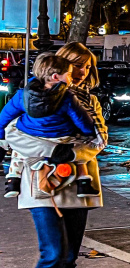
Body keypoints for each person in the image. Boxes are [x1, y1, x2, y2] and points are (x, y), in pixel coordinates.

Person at [3, 45, 106, 268]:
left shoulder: (89, 102)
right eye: (75, 65)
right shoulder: (33, 97)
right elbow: (12, 136)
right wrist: (59, 148)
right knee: (53, 251)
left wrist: (63, 153)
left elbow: (97, 143)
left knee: (70, 255)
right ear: (58, 68)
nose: (81, 72)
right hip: (40, 183)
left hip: (79, 183)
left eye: (86, 66)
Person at [1, 54, 99, 199]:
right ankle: (83, 183)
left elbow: (5, 116)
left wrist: (1, 135)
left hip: (30, 136)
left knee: (18, 149)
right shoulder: (67, 97)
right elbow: (80, 118)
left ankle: (13, 181)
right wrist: (89, 132)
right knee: (82, 154)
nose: (72, 78)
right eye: (69, 75)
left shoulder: (22, 95)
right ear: (55, 77)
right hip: (61, 138)